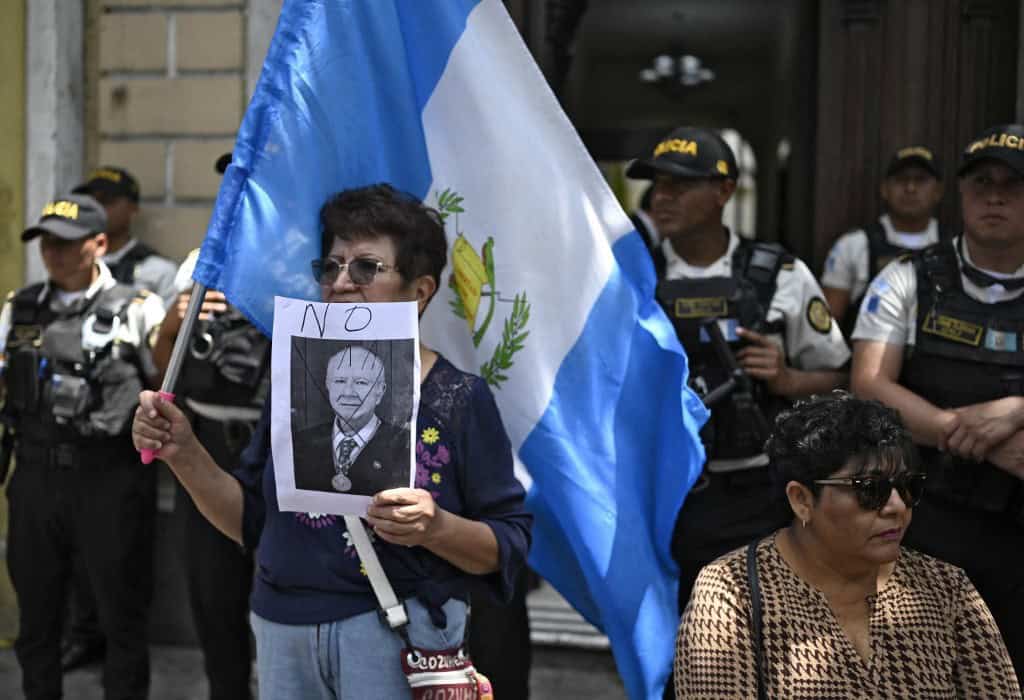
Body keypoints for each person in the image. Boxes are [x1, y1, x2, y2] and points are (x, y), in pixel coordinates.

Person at [131, 183, 532, 698]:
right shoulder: (292, 387)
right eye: (332, 266)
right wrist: (183, 452)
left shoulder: (457, 397)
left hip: (397, 637)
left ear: (420, 291)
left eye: (366, 267)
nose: (341, 283)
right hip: (282, 631)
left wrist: (435, 527)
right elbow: (250, 522)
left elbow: (506, 545)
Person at [625, 126, 850, 627]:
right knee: (679, 645)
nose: (663, 197)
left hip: (758, 498)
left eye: (681, 184)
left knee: (761, 641)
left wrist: (786, 379)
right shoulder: (632, 276)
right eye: (658, 184)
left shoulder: (779, 274)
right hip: (662, 500)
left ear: (724, 191)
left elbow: (842, 377)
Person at [675, 393, 1020, 698]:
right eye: (870, 489)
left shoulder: (947, 589)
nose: (897, 506)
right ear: (801, 500)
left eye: (908, 487)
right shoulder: (730, 595)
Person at [851, 123, 1024, 685]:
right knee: (920, 678)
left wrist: (1016, 409)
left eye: (1013, 184)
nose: (995, 197)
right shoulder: (908, 277)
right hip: (927, 519)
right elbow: (869, 384)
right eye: (982, 183)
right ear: (961, 193)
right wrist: (972, 436)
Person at [0, 194, 165, 699]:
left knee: (121, 618)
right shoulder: (20, 307)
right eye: (46, 242)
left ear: (99, 244)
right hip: (36, 478)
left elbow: (163, 386)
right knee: (37, 620)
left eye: (66, 243)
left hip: (109, 480)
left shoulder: (137, 308)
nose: (53, 252)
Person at [149, 153, 264, 700]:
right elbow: (163, 365)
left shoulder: (306, 259)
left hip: (278, 440)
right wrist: (176, 322)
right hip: (209, 441)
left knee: (285, 593)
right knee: (213, 595)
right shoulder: (202, 261)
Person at [62, 166, 179, 671]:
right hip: (77, 426)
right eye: (92, 198)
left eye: (108, 199)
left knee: (125, 552)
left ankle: (123, 649)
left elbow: (164, 353)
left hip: (130, 432)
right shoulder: (68, 264)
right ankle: (83, 633)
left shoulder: (155, 272)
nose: (100, 207)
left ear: (131, 207)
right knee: (74, 546)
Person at [821, 146, 944, 334]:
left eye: (920, 180)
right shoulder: (853, 246)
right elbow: (827, 327)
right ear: (884, 189)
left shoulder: (959, 246)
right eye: (901, 179)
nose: (910, 188)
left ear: (938, 191)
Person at [292, 344, 412, 495]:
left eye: (361, 382)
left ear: (380, 391)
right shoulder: (301, 442)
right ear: (328, 385)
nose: (348, 392)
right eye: (340, 381)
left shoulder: (403, 444)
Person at [73, 166, 178, 305]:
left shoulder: (158, 270)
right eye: (90, 202)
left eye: (107, 200)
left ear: (133, 207)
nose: (97, 208)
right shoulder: (69, 261)